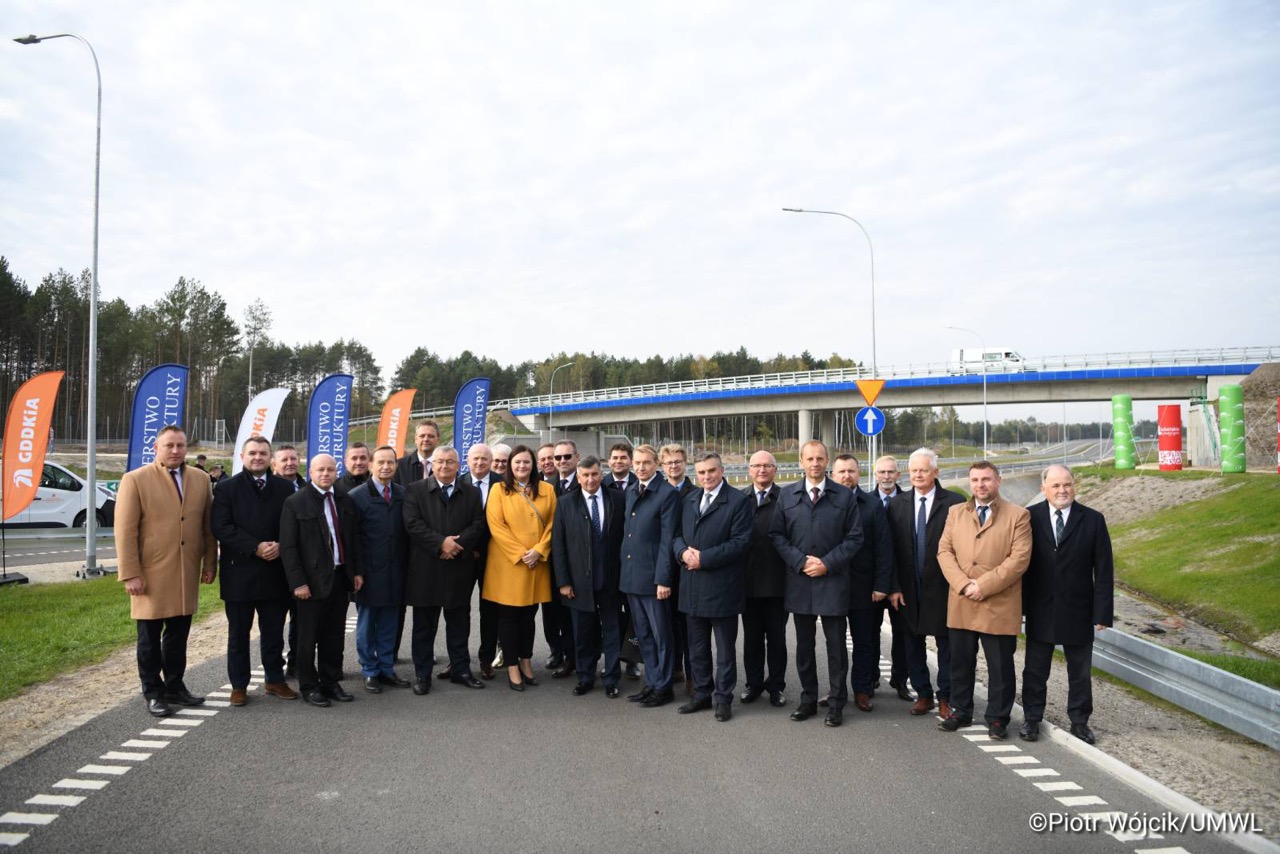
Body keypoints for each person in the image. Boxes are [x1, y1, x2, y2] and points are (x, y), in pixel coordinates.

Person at [115, 425, 218, 717]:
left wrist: (209, 563)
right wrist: (130, 573)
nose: (175, 451)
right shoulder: (135, 480)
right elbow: (125, 532)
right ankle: (153, 691)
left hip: (186, 571)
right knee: (148, 638)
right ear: (156, 448)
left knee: (178, 635)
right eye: (169, 445)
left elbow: (207, 528)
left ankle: (175, 686)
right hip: (149, 574)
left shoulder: (200, 479)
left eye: (181, 445)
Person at [769, 440, 863, 728]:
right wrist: (800, 561)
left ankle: (836, 703)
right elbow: (777, 535)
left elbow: (855, 538)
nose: (815, 463)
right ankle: (808, 700)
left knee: (836, 647)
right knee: (804, 647)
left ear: (827, 461)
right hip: (800, 583)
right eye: (809, 458)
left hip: (833, 582)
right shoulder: (787, 496)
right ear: (801, 461)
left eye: (820, 458)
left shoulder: (844, 497)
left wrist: (827, 564)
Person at [937, 460, 1032, 739]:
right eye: (976, 480)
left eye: (986, 479)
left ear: (998, 481)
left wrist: (984, 585)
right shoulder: (955, 513)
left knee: (1000, 667)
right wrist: (964, 584)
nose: (981, 485)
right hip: (962, 600)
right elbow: (944, 552)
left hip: (998, 603)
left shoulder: (1019, 515)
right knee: (960, 662)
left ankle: (998, 719)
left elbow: (1019, 559)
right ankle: (961, 711)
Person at [1020, 464, 1114, 745]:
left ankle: (1080, 721)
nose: (1062, 491)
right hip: (1040, 608)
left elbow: (1104, 570)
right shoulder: (1029, 518)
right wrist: (1020, 608)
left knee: (1080, 672)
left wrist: (1102, 613)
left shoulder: (1094, 520)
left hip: (1079, 610)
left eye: (1067, 485)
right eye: (1056, 486)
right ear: (1043, 489)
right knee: (1035, 670)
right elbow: (1020, 565)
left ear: (1075, 486)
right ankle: (1032, 719)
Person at [211, 435, 298, 706]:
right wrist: (255, 546)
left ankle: (274, 679)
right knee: (239, 634)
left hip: (275, 573)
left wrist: (282, 545)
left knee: (273, 632)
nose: (258, 457)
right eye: (253, 453)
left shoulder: (285, 489)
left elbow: (293, 525)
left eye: (263, 453)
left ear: (270, 458)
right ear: (242, 457)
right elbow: (221, 527)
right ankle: (239, 685)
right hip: (240, 574)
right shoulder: (226, 489)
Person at [280, 453, 365, 707]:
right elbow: (289, 547)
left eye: (330, 469)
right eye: (321, 470)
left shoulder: (344, 500)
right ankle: (309, 686)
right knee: (308, 637)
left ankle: (330, 682)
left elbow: (353, 539)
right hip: (311, 582)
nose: (326, 474)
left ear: (336, 471)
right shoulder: (295, 502)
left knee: (334, 635)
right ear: (311, 473)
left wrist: (357, 571)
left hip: (340, 578)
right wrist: (298, 583)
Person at [886, 448, 965, 720]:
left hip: (943, 587)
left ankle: (946, 697)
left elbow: (963, 548)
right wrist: (893, 586)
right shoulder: (897, 504)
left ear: (935, 472)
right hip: (907, 588)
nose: (918, 475)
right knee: (911, 642)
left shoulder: (955, 502)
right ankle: (923, 694)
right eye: (913, 470)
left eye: (923, 470)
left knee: (947, 644)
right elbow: (891, 550)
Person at [673, 452, 752, 722]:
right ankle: (702, 694)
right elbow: (676, 536)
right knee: (697, 648)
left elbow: (741, 543)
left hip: (722, 589)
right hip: (692, 587)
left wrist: (703, 559)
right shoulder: (689, 499)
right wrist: (683, 553)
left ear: (721, 471)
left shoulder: (739, 501)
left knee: (725, 651)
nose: (706, 477)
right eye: (702, 472)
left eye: (711, 471)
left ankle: (723, 698)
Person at [403, 446, 488, 694]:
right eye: (439, 462)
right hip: (426, 569)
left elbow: (478, 524)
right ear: (433, 465)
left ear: (458, 465)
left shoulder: (471, 492)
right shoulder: (415, 490)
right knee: (423, 627)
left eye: (450, 462)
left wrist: (457, 544)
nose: (444, 466)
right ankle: (423, 675)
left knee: (459, 624)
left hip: (458, 568)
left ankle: (461, 670)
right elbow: (412, 524)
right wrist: (441, 543)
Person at [482, 445, 556, 690]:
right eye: (517, 463)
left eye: (526, 462)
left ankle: (526, 661)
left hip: (537, 562)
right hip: (509, 564)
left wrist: (540, 550)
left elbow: (554, 525)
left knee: (528, 617)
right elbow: (496, 526)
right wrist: (521, 554)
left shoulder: (547, 489)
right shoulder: (498, 490)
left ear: (533, 465)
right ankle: (512, 665)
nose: (522, 467)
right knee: (508, 618)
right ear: (509, 467)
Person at [552, 455, 625, 697]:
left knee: (612, 631)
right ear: (579, 477)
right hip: (578, 582)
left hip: (611, 581)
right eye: (585, 475)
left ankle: (612, 678)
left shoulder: (617, 498)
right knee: (583, 632)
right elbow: (558, 545)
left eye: (594, 474)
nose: (590, 479)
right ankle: (585, 677)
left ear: (601, 474)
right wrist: (563, 581)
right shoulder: (565, 503)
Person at [830, 454, 894, 713]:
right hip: (832, 585)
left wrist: (881, 584)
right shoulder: (825, 501)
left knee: (864, 641)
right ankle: (837, 691)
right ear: (833, 475)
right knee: (835, 644)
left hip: (864, 587)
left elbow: (883, 547)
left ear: (859, 473)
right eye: (842, 471)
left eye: (851, 471)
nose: (847, 476)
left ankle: (862, 690)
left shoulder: (872, 504)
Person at [619, 444, 681, 707]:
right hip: (632, 577)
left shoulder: (667, 494)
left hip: (654, 580)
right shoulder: (633, 490)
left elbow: (668, 540)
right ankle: (653, 681)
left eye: (646, 462)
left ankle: (664, 686)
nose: (641, 467)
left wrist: (663, 579)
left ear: (657, 463)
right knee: (643, 635)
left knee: (661, 636)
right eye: (637, 463)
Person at [347, 445, 411, 693]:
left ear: (396, 466)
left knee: (389, 624)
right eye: (381, 462)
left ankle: (386, 668)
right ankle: (369, 670)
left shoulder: (403, 495)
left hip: (396, 571)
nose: (386, 466)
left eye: (390, 462)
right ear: (371, 465)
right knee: (366, 624)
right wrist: (357, 572)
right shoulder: (357, 496)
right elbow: (351, 540)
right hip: (369, 573)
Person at [740, 450, 788, 708]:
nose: (762, 470)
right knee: (751, 639)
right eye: (756, 466)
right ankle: (753, 684)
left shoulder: (787, 498)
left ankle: (776, 686)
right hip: (747, 583)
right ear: (749, 470)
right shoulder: (739, 499)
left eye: (767, 466)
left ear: (774, 469)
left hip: (778, 583)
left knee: (777, 639)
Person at [872, 454, 911, 698]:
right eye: (882, 472)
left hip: (902, 583)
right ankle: (871, 677)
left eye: (891, 472)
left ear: (899, 474)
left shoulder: (909, 501)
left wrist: (896, 584)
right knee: (868, 632)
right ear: (875, 475)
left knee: (903, 634)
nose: (886, 477)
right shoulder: (864, 501)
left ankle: (900, 680)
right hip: (873, 582)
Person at [461, 443, 501, 679]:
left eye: (484, 459)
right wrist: (468, 547)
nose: (480, 463)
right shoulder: (458, 482)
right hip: (463, 557)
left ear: (490, 461)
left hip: (494, 557)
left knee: (490, 611)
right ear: (468, 460)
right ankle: (458, 660)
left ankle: (486, 659)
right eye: (475, 459)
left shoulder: (502, 483)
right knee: (459, 611)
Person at [541, 439, 580, 677]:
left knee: (573, 614)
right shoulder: (547, 487)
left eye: (567, 457)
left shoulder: (586, 481)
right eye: (558, 458)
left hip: (577, 561)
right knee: (550, 611)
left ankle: (574, 656)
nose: (562, 461)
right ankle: (556, 650)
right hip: (550, 560)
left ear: (576, 457)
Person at [272, 443, 306, 679]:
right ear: (274, 464)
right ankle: (274, 669)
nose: (290, 463)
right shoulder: (268, 489)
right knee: (274, 623)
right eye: (284, 459)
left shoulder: (308, 488)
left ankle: (297, 662)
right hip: (273, 566)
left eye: (293, 459)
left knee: (301, 621)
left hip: (303, 567)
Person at [394, 419, 440, 485]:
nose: (426, 439)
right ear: (416, 439)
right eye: (422, 436)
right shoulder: (399, 466)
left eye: (430, 436)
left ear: (438, 440)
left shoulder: (445, 466)